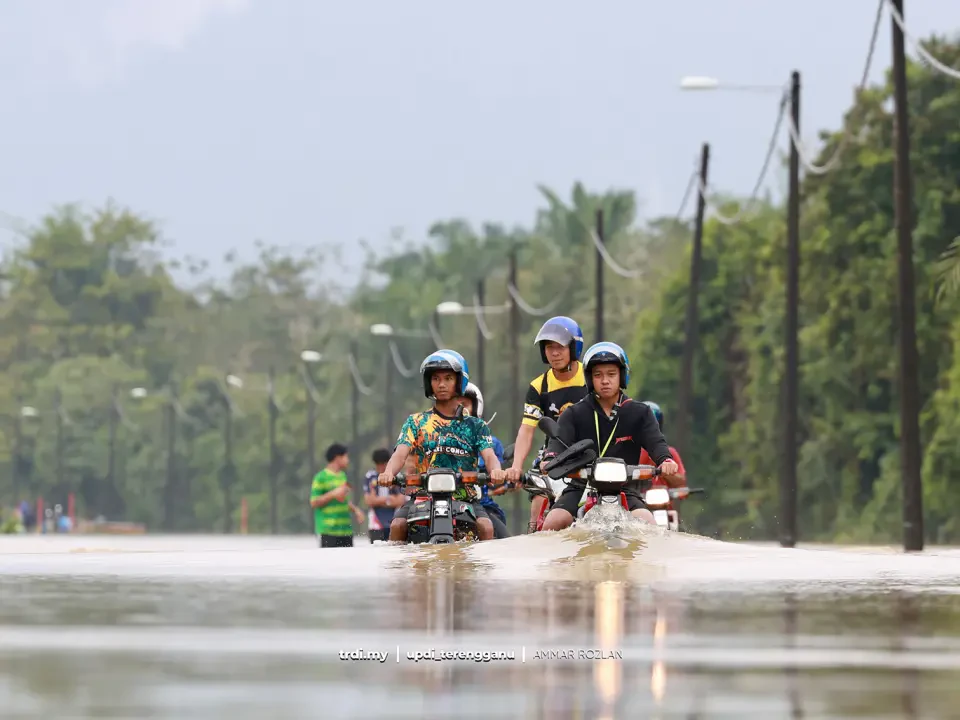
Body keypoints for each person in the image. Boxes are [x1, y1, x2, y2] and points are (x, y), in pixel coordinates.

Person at [539, 342, 679, 532]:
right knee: (553, 523)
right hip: (581, 486)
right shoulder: (574, 413)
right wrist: (550, 458)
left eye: (611, 374)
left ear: (622, 376)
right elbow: (557, 442)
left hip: (624, 488)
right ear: (590, 378)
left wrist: (665, 460)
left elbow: (656, 442)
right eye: (598, 375)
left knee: (650, 526)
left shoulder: (640, 412)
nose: (605, 380)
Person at [378, 350, 505, 542]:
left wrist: (496, 471)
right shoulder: (416, 422)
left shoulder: (475, 425)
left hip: (465, 497)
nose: (442, 384)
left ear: (459, 381)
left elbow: (489, 456)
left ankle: (480, 571)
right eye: (436, 379)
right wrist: (388, 473)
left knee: (486, 527)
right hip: (423, 497)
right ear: (429, 383)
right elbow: (400, 454)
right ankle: (400, 571)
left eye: (448, 378)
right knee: (397, 526)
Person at [503, 316, 588, 533]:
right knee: (539, 489)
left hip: (592, 449)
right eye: (549, 347)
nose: (554, 353)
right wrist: (516, 466)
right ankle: (535, 533)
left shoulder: (590, 376)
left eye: (560, 347)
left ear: (573, 347)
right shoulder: (539, 386)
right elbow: (527, 428)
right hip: (554, 453)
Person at [462, 382, 510, 539]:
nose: (459, 409)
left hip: (480, 503)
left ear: (477, 407)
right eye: (455, 404)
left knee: (504, 538)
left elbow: (493, 461)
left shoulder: (489, 440)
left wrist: (497, 474)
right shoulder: (434, 433)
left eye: (464, 404)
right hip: (441, 501)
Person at [310, 442, 365, 547]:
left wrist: (356, 510)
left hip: (345, 530)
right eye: (346, 457)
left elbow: (343, 500)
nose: (348, 460)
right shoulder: (320, 477)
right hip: (328, 531)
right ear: (337, 458)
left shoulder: (342, 476)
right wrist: (333, 494)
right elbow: (313, 502)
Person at [638, 401, 688, 488]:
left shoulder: (668, 452)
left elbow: (681, 482)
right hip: (635, 496)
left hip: (661, 497)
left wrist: (665, 471)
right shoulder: (627, 449)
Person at [363, 447, 405, 543]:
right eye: (378, 464)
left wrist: (378, 500)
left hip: (394, 521)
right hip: (376, 523)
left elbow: (400, 501)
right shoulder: (370, 476)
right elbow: (369, 501)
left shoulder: (396, 476)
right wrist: (390, 499)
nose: (381, 467)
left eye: (383, 463)